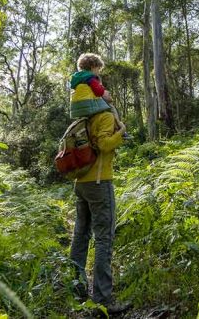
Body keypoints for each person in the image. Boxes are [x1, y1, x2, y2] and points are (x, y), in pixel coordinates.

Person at [68, 53, 130, 313]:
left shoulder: (82, 116)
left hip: (81, 182)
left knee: (81, 235)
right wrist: (120, 133)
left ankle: (76, 288)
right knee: (104, 237)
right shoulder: (104, 116)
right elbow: (105, 144)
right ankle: (103, 299)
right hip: (99, 181)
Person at [69, 53, 127, 137]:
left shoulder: (77, 79)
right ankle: (118, 128)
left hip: (78, 108)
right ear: (93, 66)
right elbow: (98, 92)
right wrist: (103, 90)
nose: (99, 71)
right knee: (111, 107)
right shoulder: (90, 78)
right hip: (89, 105)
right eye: (98, 68)